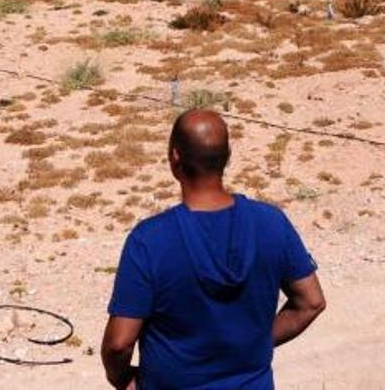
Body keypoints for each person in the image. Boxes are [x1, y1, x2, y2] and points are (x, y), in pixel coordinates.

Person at [101, 109, 325, 389]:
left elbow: (119, 343)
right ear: (227, 158)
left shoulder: (150, 241)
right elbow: (311, 302)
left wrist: (122, 379)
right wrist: (252, 343)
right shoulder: (271, 223)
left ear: (174, 158)